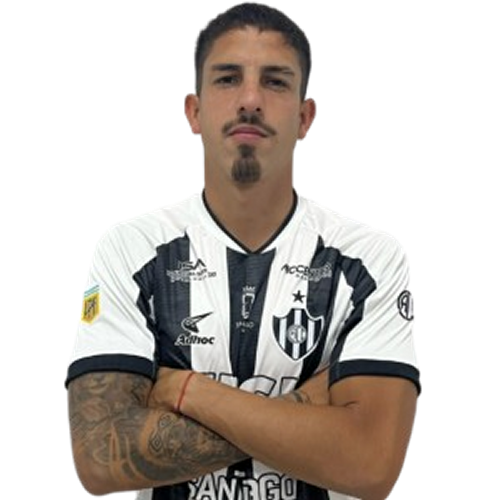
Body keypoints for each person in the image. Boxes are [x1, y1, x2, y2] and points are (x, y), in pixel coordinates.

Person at [66, 2, 420, 499]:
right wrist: (307, 409)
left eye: (275, 81)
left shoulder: (368, 258)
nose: (250, 99)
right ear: (193, 111)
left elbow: (370, 464)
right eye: (228, 79)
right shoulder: (131, 249)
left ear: (305, 117)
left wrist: (186, 390)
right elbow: (101, 460)